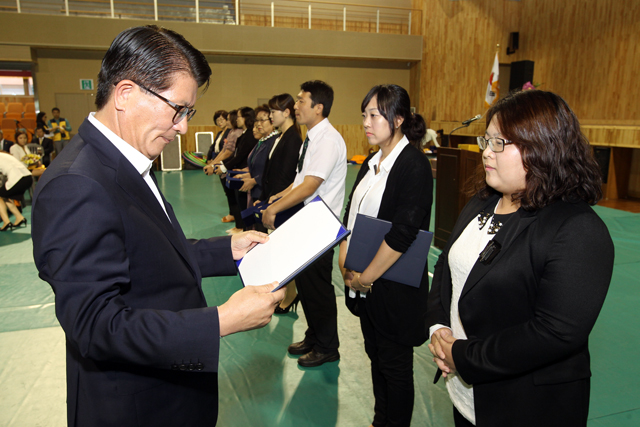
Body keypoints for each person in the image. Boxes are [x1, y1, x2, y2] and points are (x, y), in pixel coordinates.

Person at [31, 25, 285, 427]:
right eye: (178, 109)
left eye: (190, 112)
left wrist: (226, 250)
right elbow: (96, 324)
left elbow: (146, 251)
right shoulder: (76, 184)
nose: (183, 126)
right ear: (127, 94)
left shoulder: (121, 159)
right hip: (135, 408)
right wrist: (222, 320)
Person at [426, 90, 615, 427]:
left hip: (525, 406)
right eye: (487, 140)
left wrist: (462, 356)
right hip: (466, 395)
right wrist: (439, 328)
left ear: (542, 148)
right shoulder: (482, 202)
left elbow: (554, 332)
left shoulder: (577, 230)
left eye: (500, 143)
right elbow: (446, 267)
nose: (486, 152)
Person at [338, 84, 432, 427]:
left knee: (395, 367)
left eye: (374, 115)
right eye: (364, 114)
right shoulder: (371, 161)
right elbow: (351, 213)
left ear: (398, 119)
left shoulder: (413, 166)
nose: (366, 122)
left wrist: (365, 277)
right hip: (363, 284)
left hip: (390, 288)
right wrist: (345, 259)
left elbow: (403, 232)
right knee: (375, 358)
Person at [262, 80, 347, 367]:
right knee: (308, 288)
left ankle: (327, 346)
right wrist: (280, 195)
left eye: (301, 101)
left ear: (318, 107)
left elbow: (310, 185)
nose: (295, 106)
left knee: (319, 289)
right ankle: (314, 336)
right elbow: (299, 181)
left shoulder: (328, 140)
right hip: (308, 223)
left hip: (322, 226)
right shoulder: (311, 138)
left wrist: (274, 207)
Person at [258, 93, 303, 314]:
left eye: (273, 112)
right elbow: (271, 172)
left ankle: (292, 294)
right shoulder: (280, 136)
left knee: (286, 252)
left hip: (284, 204)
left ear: (286, 113)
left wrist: (274, 203)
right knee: (278, 251)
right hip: (275, 200)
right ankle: (287, 291)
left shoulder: (293, 138)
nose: (270, 116)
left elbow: (286, 176)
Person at [214, 106, 258, 234]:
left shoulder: (250, 135)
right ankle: (241, 227)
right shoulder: (244, 134)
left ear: (246, 118)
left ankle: (244, 228)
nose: (237, 119)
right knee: (239, 201)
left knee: (244, 202)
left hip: (245, 173)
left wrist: (222, 167)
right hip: (240, 172)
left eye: (239, 116)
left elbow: (239, 156)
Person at [0, 152, 31, 231]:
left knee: (1, 195)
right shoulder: (3, 155)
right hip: (27, 177)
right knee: (5, 195)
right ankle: (19, 218)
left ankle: (6, 222)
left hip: (18, 178)